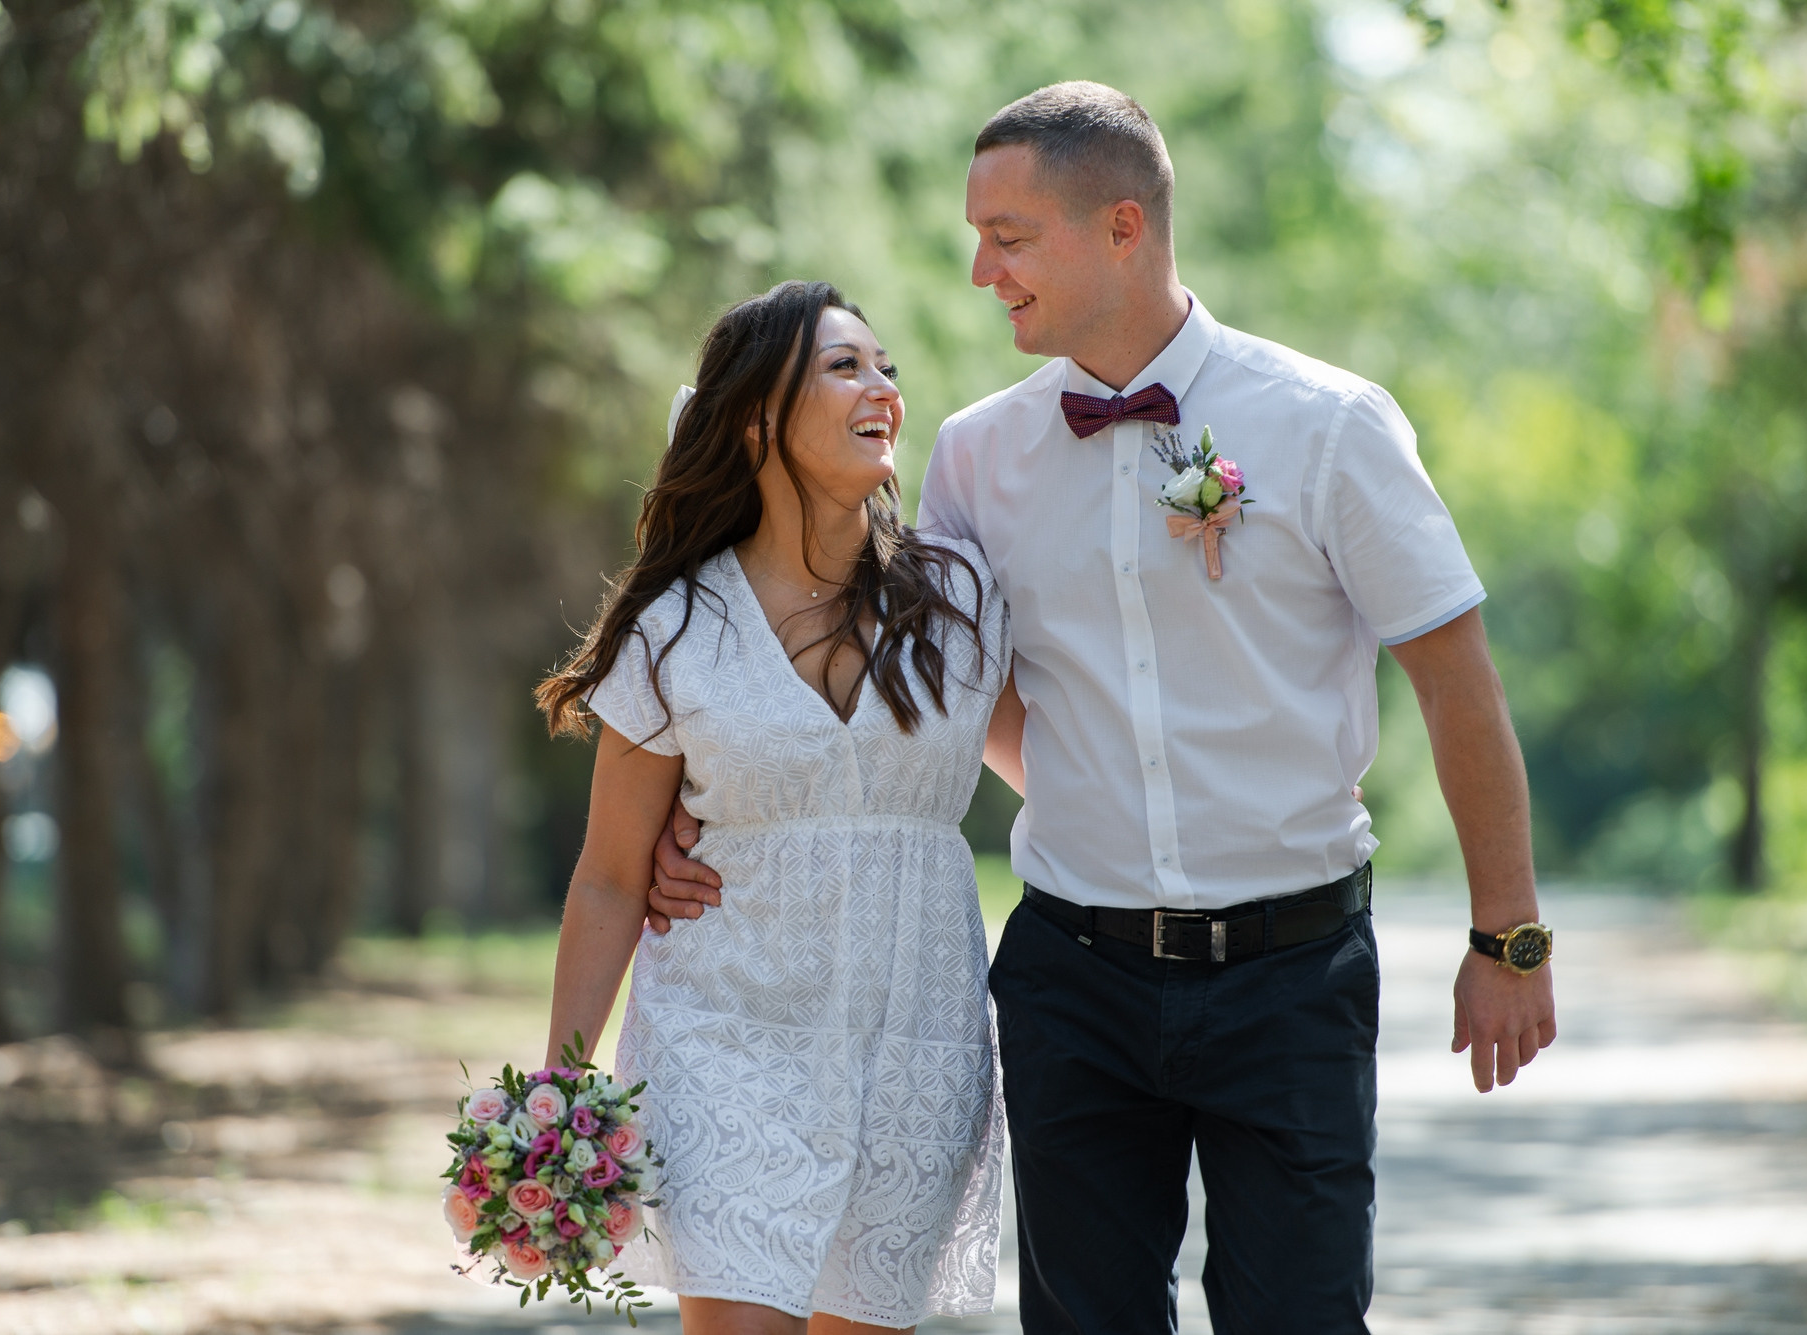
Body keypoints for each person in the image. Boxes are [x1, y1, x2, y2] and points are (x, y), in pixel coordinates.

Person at [648, 84, 1558, 1333]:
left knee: (1297, 1317)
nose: (979, 272)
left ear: (1121, 226)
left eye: (1008, 237)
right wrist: (684, 819)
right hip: (1073, 977)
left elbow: (1455, 681)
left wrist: (1505, 933)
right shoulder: (973, 458)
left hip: (1292, 975)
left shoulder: (1328, 424)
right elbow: (918, 686)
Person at [536, 280, 1012, 1334]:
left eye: (886, 366)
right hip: (726, 1044)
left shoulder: (963, 601)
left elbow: (1060, 759)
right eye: (845, 367)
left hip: (913, 1052)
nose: (881, 386)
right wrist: (558, 1093)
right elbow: (612, 874)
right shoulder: (676, 628)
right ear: (756, 417)